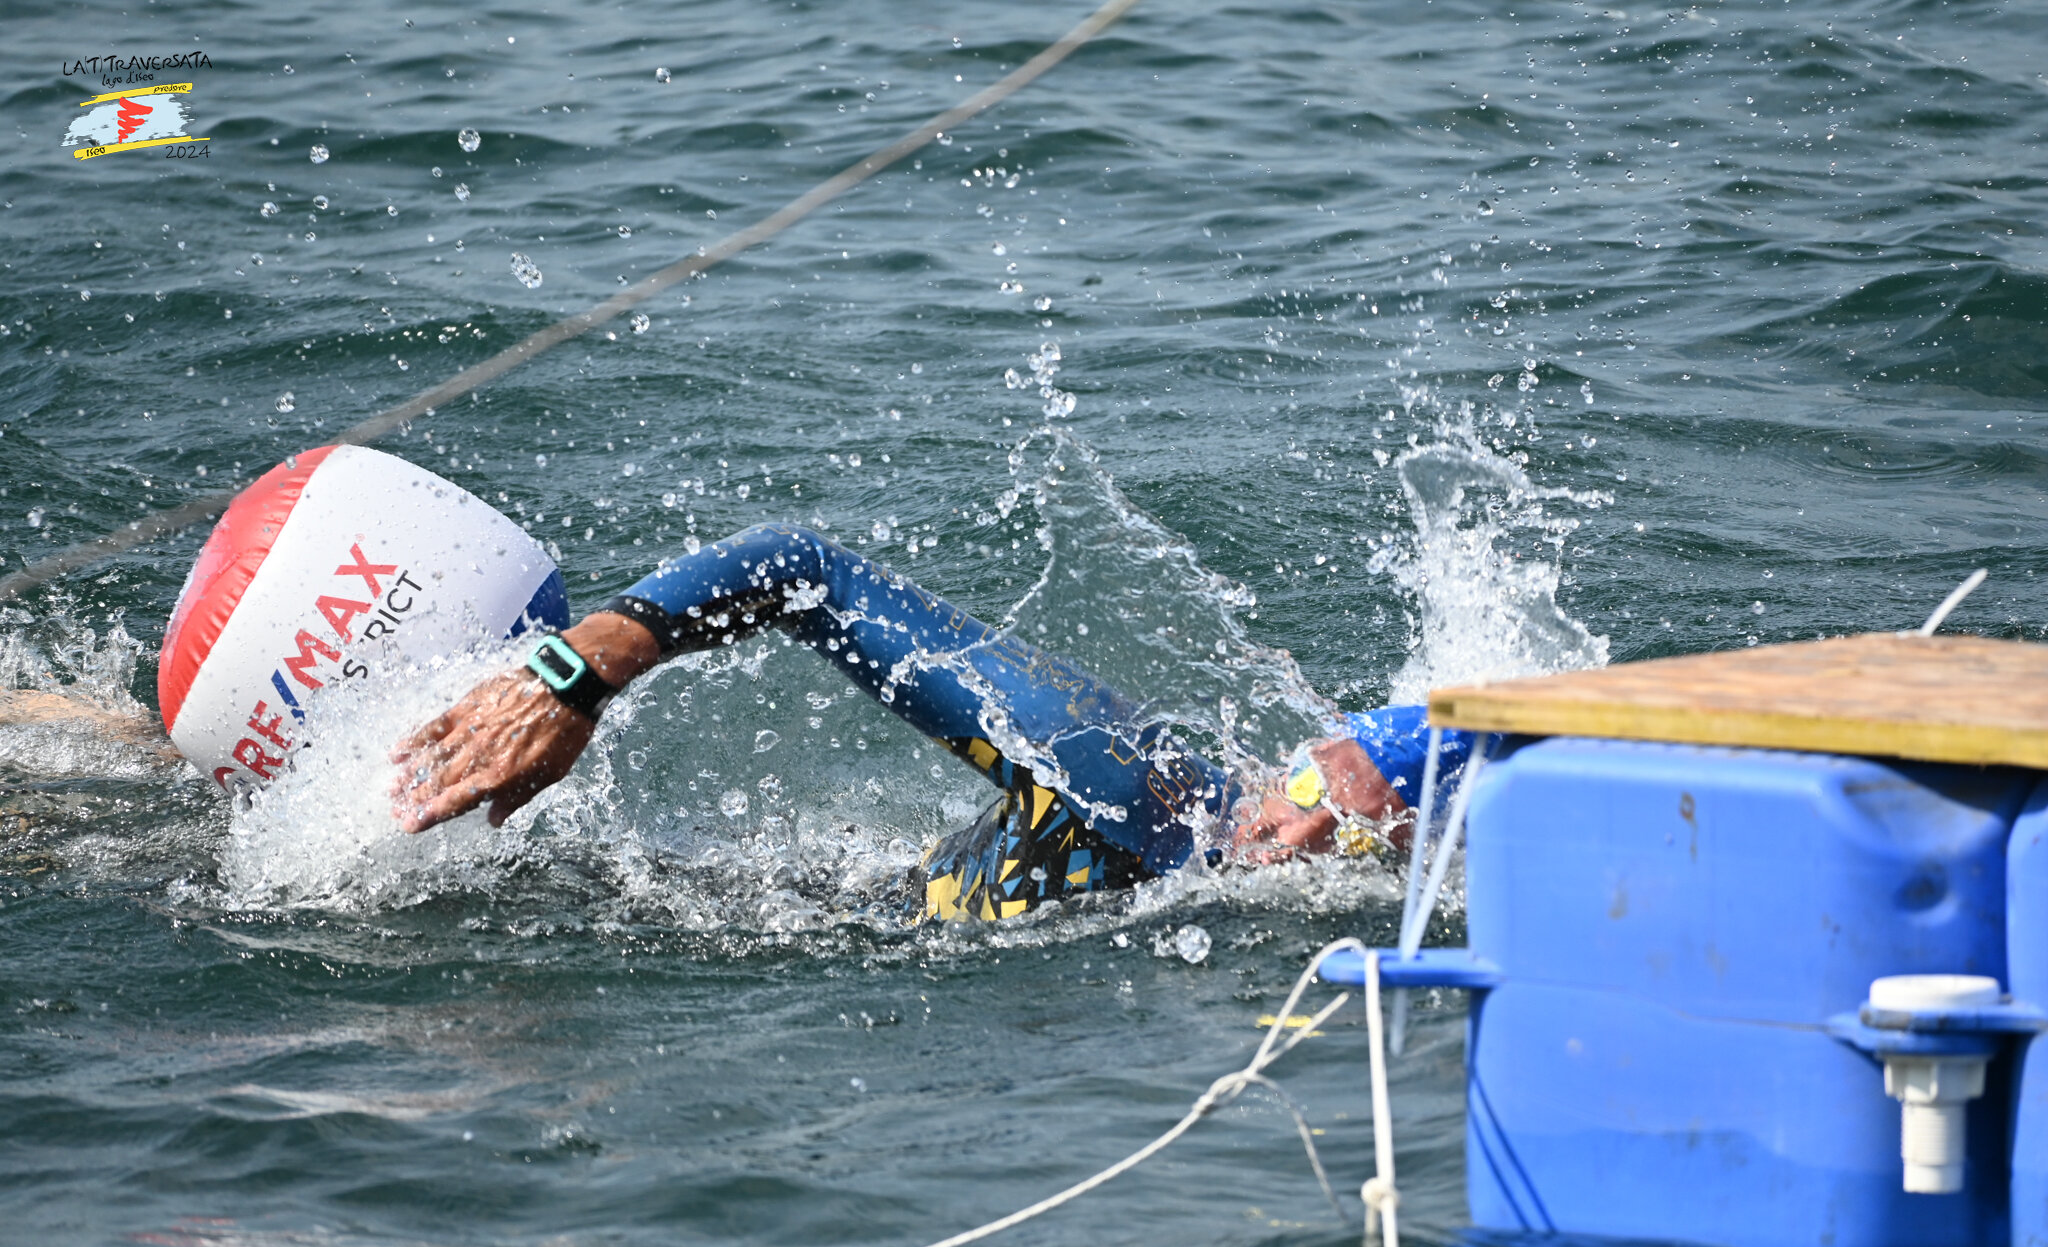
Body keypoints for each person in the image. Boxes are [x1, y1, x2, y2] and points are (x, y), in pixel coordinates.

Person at [390, 523, 1473, 921]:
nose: (1294, 838)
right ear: (1322, 767)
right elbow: (799, 570)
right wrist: (570, 675)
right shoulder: (1122, 787)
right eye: (1311, 801)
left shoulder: (1289, 903)